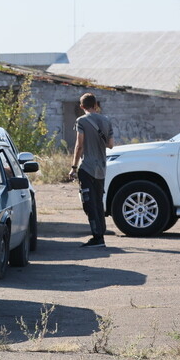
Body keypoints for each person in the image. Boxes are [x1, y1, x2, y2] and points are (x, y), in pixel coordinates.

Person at [68, 92, 114, 247]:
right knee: (98, 202)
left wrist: (73, 167)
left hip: (87, 167)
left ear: (82, 106)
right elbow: (111, 144)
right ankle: (101, 234)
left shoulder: (81, 120)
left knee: (89, 203)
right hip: (101, 168)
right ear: (96, 105)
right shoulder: (107, 121)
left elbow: (79, 145)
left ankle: (97, 236)